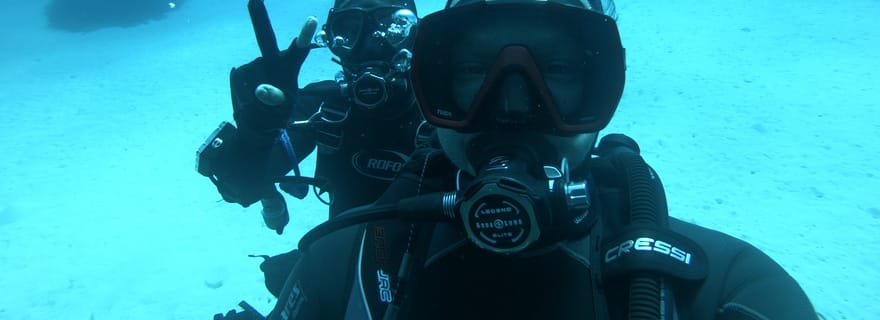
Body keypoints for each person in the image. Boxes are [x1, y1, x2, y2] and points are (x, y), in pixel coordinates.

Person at [217, 0, 819, 319]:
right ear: (437, 85)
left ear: (603, 84)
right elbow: (243, 178)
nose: (509, 110)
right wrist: (256, 134)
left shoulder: (723, 289)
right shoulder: (337, 268)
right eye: (473, 71)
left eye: (554, 70)